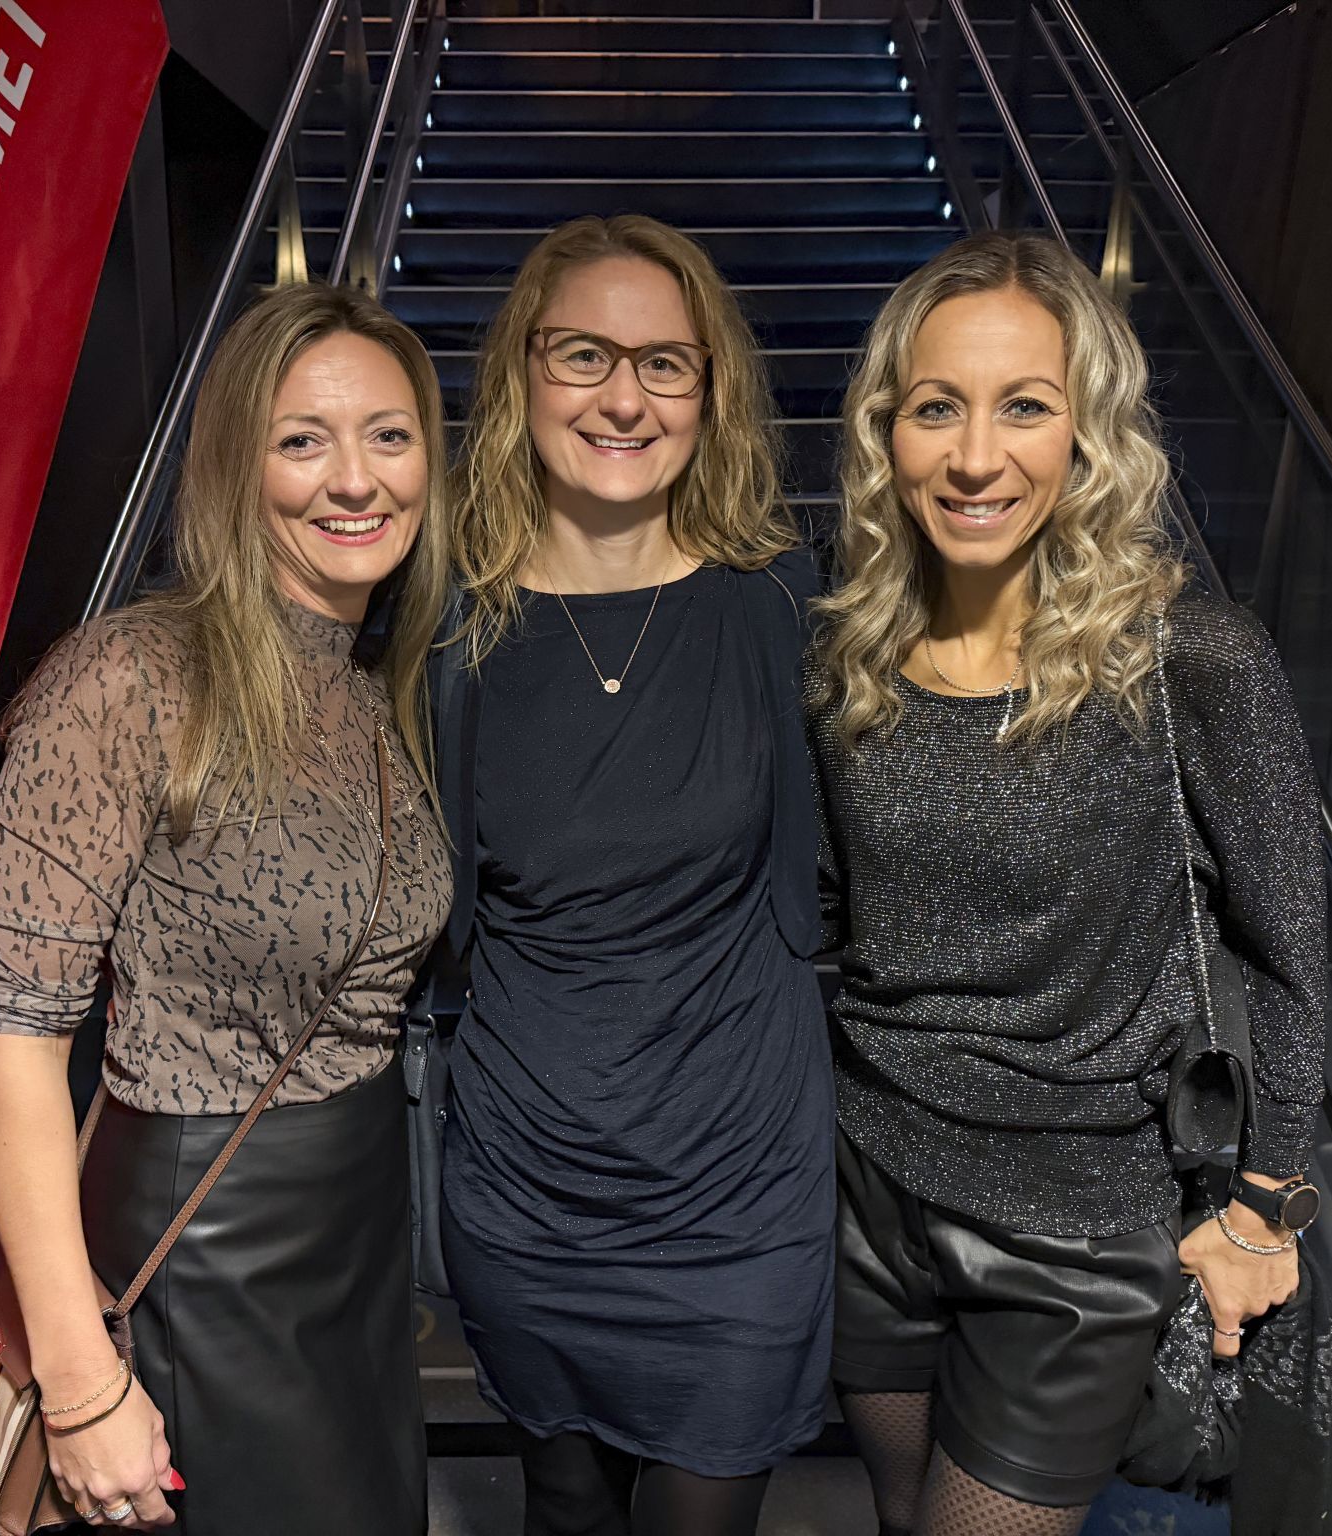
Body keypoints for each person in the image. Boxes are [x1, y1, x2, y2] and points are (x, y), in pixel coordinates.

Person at [808, 231, 1329, 1536]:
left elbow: (1289, 956)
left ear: (1087, 429)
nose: (976, 457)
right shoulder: (853, 644)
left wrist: (1266, 1207)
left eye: (1024, 407)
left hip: (1077, 1240)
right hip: (868, 1194)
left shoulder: (1191, 656)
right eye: (938, 407)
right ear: (889, 430)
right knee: (895, 1513)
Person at [0, 283, 453, 1534]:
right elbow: (13, 1049)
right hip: (203, 1247)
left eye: (388, 436)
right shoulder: (129, 681)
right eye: (302, 440)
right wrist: (77, 1385)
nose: (355, 480)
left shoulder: (373, 683)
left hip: (352, 1237)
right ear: (239, 465)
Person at [429, 214, 834, 1536]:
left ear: (710, 393)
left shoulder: (777, 603)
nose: (623, 397)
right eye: (585, 355)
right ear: (522, 376)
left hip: (740, 1194)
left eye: (666, 364)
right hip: (526, 1187)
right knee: (563, 1507)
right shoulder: (446, 626)